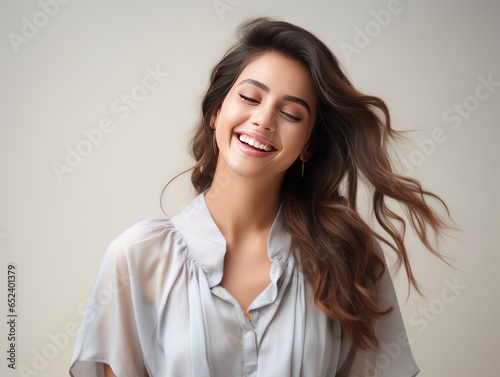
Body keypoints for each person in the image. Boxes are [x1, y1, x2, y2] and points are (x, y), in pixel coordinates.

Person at [69, 17, 450, 377]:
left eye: (291, 113)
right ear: (216, 111)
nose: (264, 120)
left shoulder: (349, 258)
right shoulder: (137, 256)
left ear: (308, 146)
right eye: (251, 97)